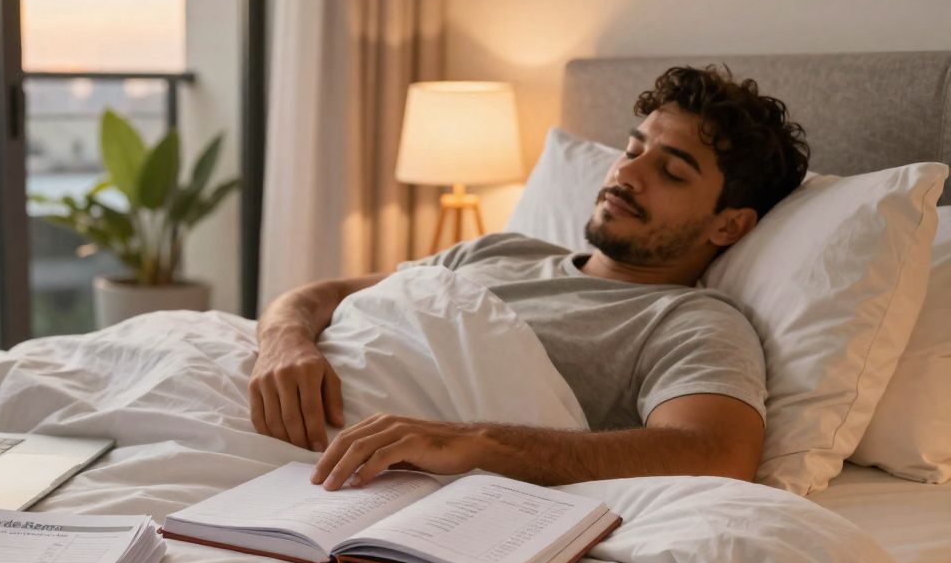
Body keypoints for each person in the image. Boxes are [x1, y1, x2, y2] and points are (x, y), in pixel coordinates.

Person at [248, 65, 810, 491]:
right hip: (273, 415)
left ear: (730, 224)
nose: (626, 173)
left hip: (343, 468)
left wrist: (470, 441)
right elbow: (327, 295)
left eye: (670, 171)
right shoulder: (504, 247)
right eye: (633, 148)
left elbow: (715, 452)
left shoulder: (690, 320)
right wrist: (282, 341)